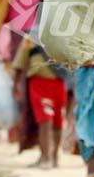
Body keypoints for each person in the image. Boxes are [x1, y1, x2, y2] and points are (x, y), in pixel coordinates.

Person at [12, 33, 69, 169]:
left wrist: (15, 84)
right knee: (56, 119)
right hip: (59, 82)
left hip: (40, 83)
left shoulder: (31, 36)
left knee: (46, 118)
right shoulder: (64, 33)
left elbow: (20, 63)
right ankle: (53, 157)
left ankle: (46, 158)